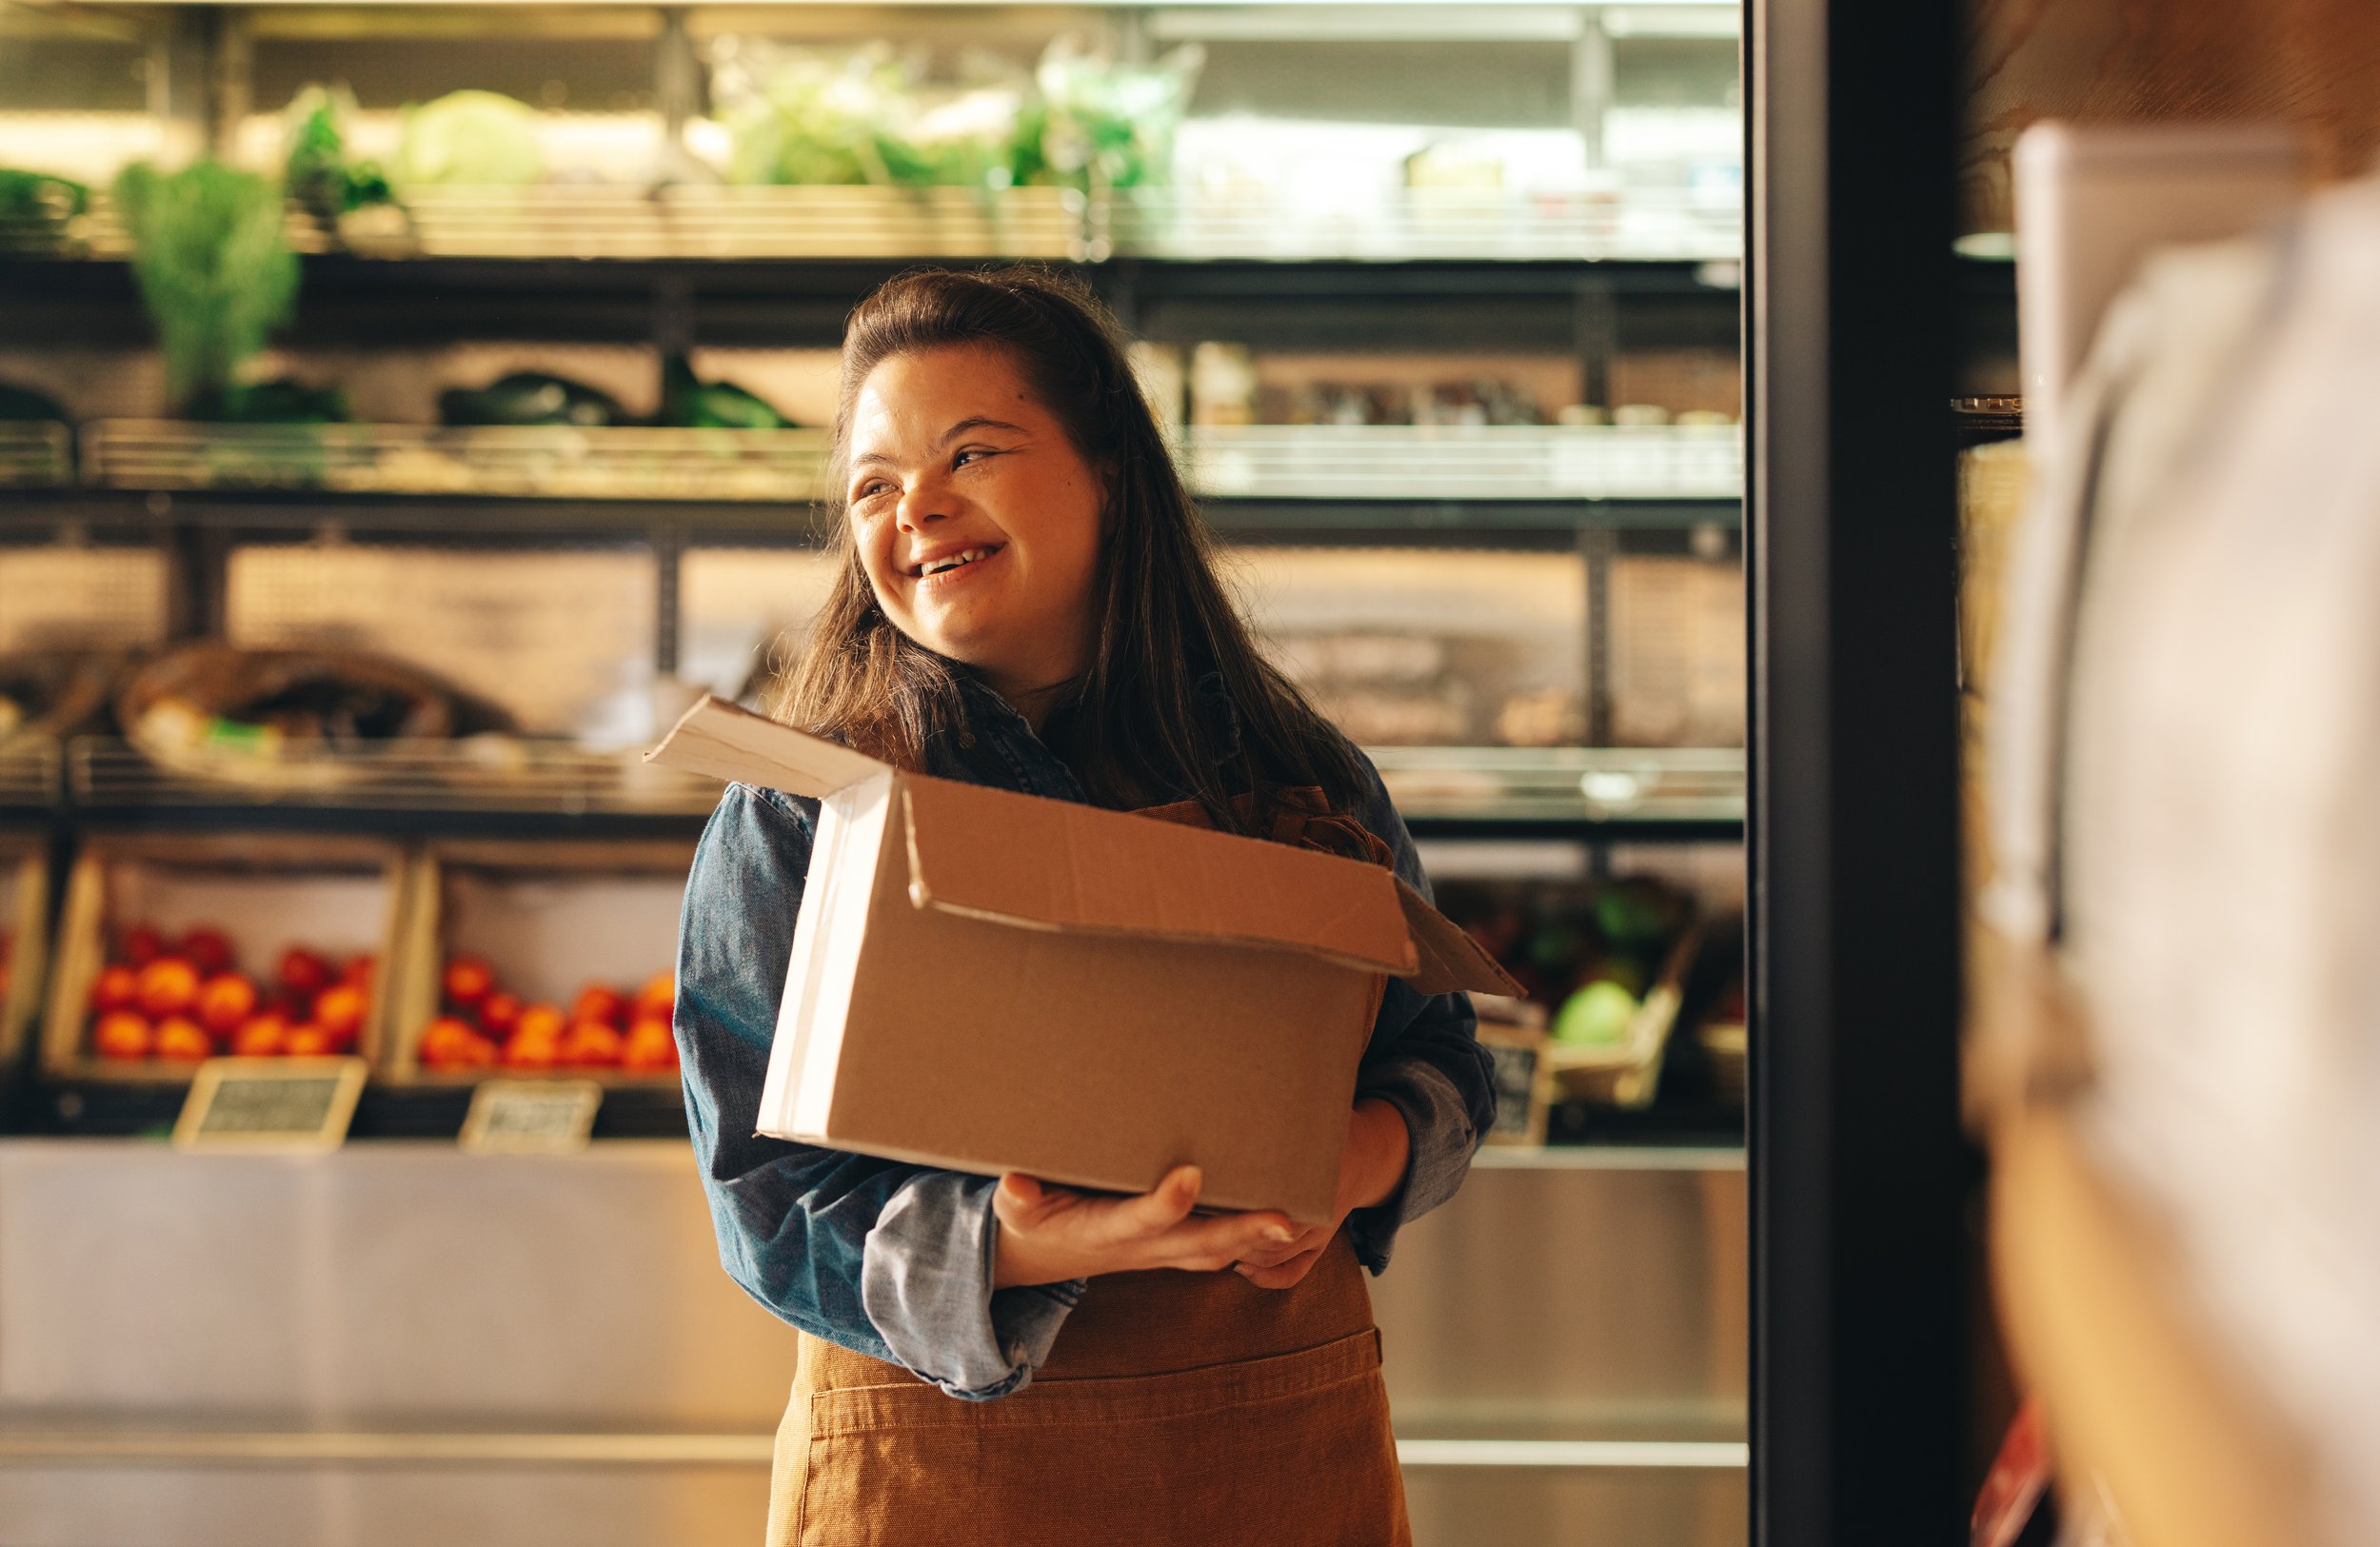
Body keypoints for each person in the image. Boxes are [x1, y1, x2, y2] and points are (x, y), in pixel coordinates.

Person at [672, 266, 1495, 1547]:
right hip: (937, 1477)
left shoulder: (1297, 777)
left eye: (972, 453)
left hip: (1270, 1457)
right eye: (873, 485)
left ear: (1110, 469)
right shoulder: (809, 806)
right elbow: (765, 1203)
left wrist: (1349, 1161)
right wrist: (1019, 1244)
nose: (918, 509)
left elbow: (1440, 1065)